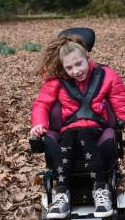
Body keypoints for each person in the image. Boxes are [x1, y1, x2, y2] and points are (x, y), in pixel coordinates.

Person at [30, 34, 125, 219]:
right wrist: (39, 124)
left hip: (96, 127)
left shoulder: (106, 75)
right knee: (67, 137)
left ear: (87, 58)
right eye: (69, 68)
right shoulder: (57, 80)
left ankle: (100, 190)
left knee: (82, 134)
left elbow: (120, 102)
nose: (75, 71)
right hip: (69, 129)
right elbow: (42, 104)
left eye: (79, 64)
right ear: (63, 67)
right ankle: (62, 192)